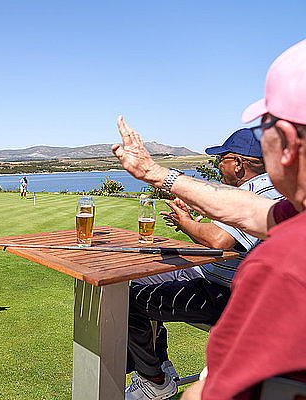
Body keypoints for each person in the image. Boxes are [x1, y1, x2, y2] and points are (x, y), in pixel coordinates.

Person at [111, 38, 306, 399]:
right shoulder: (294, 212)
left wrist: (202, 385)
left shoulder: (281, 266)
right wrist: (157, 173)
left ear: (289, 141)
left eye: (266, 128)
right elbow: (251, 211)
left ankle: (154, 382)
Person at [125, 129, 282, 400]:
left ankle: (154, 380)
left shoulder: (260, 190)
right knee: (140, 279)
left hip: (227, 294)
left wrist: (187, 223)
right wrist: (192, 224)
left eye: (222, 159)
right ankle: (158, 366)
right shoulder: (263, 186)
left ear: (238, 163)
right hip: (213, 277)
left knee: (126, 299)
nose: (219, 165)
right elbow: (224, 236)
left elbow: (220, 240)